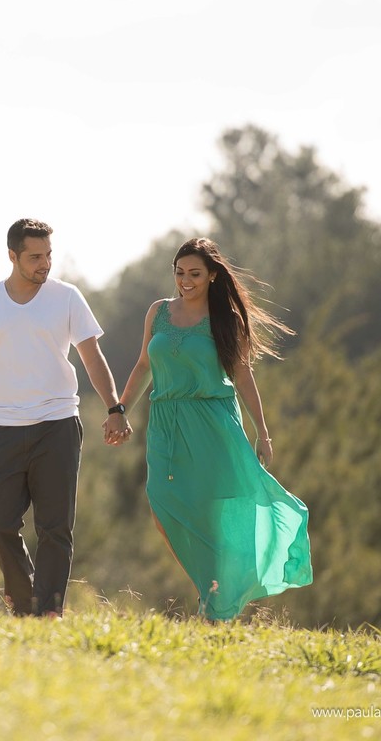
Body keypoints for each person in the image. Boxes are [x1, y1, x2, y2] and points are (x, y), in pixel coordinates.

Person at [113, 237, 312, 620]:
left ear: (212, 276)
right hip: (166, 422)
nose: (185, 281)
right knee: (162, 503)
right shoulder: (158, 312)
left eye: (194, 274)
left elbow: (242, 375)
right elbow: (143, 366)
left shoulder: (224, 319)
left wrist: (263, 431)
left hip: (212, 423)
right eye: (179, 273)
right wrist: (119, 409)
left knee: (212, 514)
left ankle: (215, 597)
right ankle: (212, 587)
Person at [0, 218, 131, 617]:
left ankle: (48, 611)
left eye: (48, 255)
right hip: (1, 426)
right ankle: (25, 594)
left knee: (55, 527)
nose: (44, 264)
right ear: (12, 256)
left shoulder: (66, 298)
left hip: (58, 424)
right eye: (35, 257)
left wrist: (115, 408)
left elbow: (91, 356)